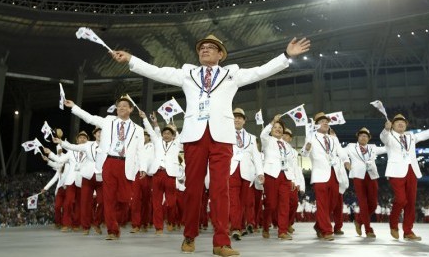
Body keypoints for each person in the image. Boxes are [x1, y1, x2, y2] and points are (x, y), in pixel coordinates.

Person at [112, 34, 310, 256]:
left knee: (220, 191)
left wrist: (285, 56)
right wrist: (131, 60)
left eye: (210, 47)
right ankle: (189, 235)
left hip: (222, 138)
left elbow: (260, 71)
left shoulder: (231, 74)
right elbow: (158, 71)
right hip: (194, 137)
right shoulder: (188, 73)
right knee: (193, 190)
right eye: (201, 48)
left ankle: (221, 242)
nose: (204, 50)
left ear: (220, 54)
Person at [63, 96, 147, 240]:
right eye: (119, 106)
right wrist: (74, 107)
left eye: (124, 106)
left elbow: (141, 150)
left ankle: (117, 222)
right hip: (109, 162)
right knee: (109, 198)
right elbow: (89, 118)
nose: (121, 108)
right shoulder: (108, 121)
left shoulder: (138, 129)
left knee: (124, 200)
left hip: (127, 165)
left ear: (131, 109)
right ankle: (112, 230)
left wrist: (143, 167)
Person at [380, 114, 429, 241]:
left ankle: (408, 231)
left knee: (410, 203)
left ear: (406, 125)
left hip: (412, 171)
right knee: (401, 200)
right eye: (397, 122)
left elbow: (425, 134)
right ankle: (393, 224)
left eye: (403, 122)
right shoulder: (389, 136)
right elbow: (383, 138)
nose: (400, 124)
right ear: (392, 125)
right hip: (396, 172)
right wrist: (386, 129)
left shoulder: (410, 135)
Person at [301, 112, 350, 241]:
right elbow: (304, 154)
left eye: (327, 121)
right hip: (319, 175)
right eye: (322, 121)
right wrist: (306, 148)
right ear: (316, 125)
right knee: (322, 204)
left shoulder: (333, 138)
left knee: (333, 203)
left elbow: (340, 150)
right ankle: (327, 230)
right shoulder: (311, 137)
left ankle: (319, 225)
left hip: (334, 173)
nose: (325, 123)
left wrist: (346, 161)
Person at [52, 127, 104, 235]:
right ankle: (75, 225)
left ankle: (87, 223)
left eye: (84, 138)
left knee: (94, 203)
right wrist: (60, 142)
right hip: (79, 178)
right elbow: (67, 151)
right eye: (80, 138)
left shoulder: (100, 146)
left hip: (94, 177)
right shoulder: (79, 149)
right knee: (74, 203)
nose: (82, 139)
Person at [140, 110, 182, 234]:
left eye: (169, 133)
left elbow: (182, 137)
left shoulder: (177, 143)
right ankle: (159, 227)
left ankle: (171, 221)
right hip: (157, 173)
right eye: (165, 133)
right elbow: (152, 131)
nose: (166, 135)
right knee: (156, 202)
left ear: (173, 135)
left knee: (171, 203)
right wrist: (144, 119)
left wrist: (176, 130)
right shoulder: (157, 142)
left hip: (170, 175)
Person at [229, 107, 264, 241]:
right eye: (235, 117)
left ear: (244, 121)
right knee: (233, 201)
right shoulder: (224, 134)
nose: (237, 119)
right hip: (232, 170)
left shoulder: (251, 137)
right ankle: (236, 228)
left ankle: (240, 226)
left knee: (243, 202)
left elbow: (256, 156)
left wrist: (260, 172)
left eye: (240, 117)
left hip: (247, 172)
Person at [345, 127, 386, 238]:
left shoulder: (373, 148)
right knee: (363, 203)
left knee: (373, 204)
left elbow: (386, 149)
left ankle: (359, 221)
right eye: (361, 135)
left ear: (369, 138)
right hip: (358, 176)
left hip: (372, 176)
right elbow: (341, 152)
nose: (363, 137)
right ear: (358, 137)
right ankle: (368, 229)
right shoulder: (351, 146)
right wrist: (346, 161)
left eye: (366, 136)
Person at [260, 114, 296, 240]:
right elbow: (263, 134)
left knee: (284, 204)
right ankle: (265, 226)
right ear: (271, 129)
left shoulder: (287, 146)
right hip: (271, 174)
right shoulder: (267, 140)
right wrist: (271, 122)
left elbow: (291, 163)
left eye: (280, 127)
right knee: (271, 204)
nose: (278, 129)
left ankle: (282, 231)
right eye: (275, 127)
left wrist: (292, 178)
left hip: (285, 175)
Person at [282, 127, 305, 235]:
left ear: (290, 138)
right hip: (282, 178)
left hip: (293, 180)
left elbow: (296, 168)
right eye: (284, 134)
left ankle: (288, 223)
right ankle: (282, 224)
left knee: (294, 203)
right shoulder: (276, 146)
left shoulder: (294, 152)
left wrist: (299, 183)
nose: (285, 136)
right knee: (282, 204)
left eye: (287, 135)